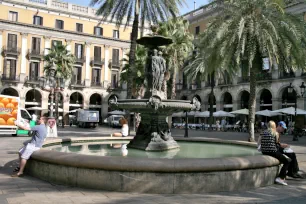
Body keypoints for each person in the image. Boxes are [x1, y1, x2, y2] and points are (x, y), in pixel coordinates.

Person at [259, 121, 291, 185]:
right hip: (272, 151)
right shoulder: (275, 133)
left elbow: (258, 143)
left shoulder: (263, 132)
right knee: (287, 161)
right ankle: (280, 178)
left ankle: (284, 174)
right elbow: (276, 144)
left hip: (264, 151)